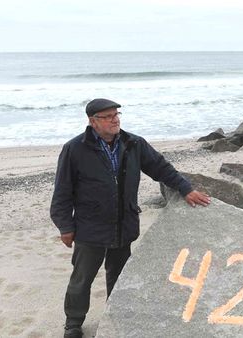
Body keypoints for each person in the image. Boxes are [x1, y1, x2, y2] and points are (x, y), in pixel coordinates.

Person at [50, 98, 211, 338]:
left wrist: (185, 189)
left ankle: (115, 314)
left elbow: (160, 168)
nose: (115, 119)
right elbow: (62, 191)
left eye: (116, 114)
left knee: (118, 274)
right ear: (93, 122)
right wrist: (65, 226)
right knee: (82, 279)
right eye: (108, 116)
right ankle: (73, 323)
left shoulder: (134, 143)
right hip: (89, 227)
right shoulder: (75, 149)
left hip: (123, 224)